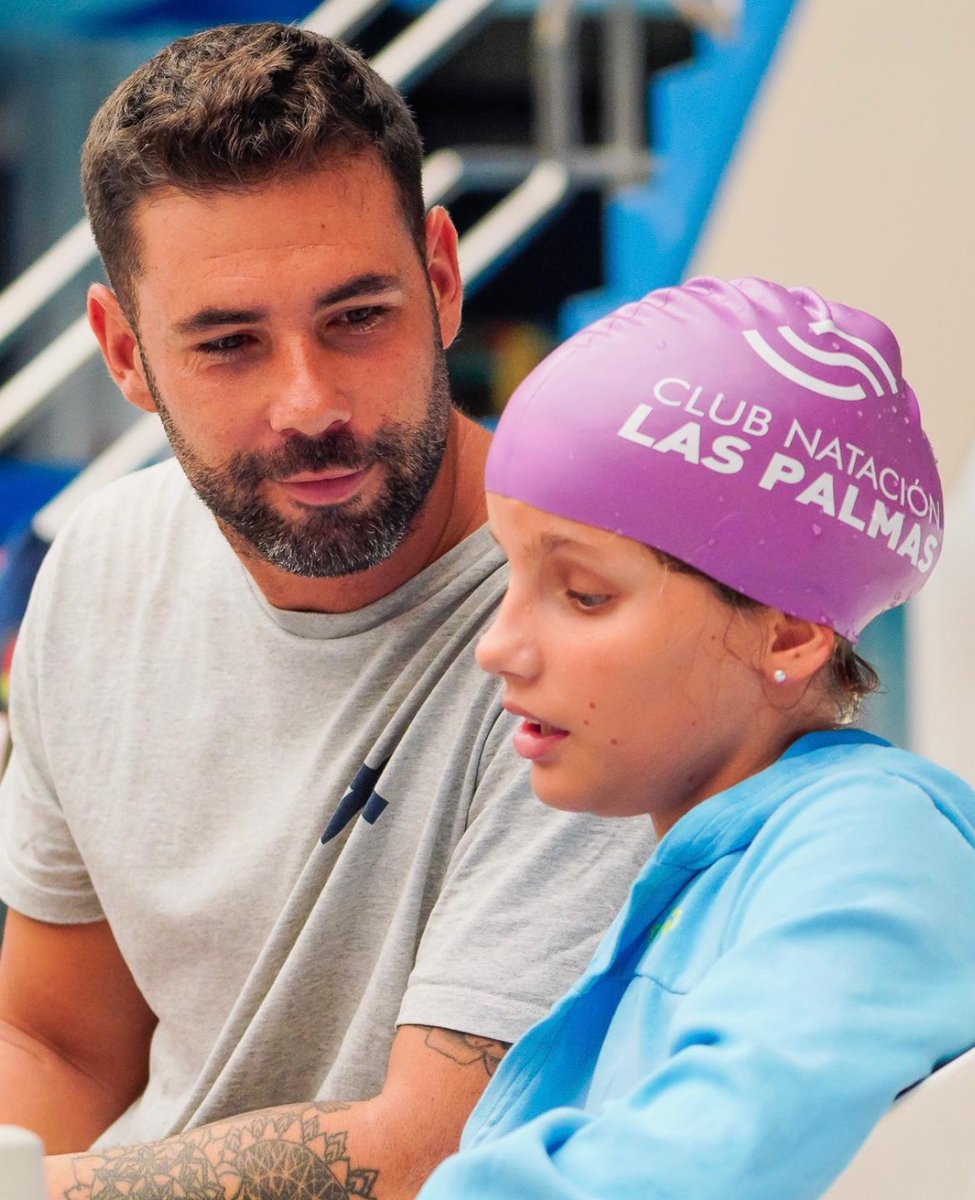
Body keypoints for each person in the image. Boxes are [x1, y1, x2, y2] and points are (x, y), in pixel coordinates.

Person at [0, 22, 658, 1200]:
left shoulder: (602, 622)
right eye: (229, 344)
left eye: (357, 318)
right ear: (124, 352)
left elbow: (442, 1151)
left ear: (443, 279)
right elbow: (58, 1041)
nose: (309, 405)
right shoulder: (102, 570)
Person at [416, 276, 975, 1200]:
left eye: (583, 594)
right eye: (510, 576)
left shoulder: (874, 847)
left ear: (789, 633)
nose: (498, 647)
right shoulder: (716, 870)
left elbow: (703, 1160)